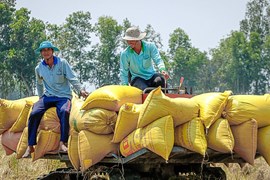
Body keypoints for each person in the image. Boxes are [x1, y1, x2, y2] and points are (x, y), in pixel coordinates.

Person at [23, 41, 88, 157]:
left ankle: (62, 143)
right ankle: (30, 145)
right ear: (41, 53)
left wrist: (81, 90)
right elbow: (39, 84)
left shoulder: (62, 63)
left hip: (63, 97)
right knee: (34, 113)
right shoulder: (39, 68)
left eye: (48, 50)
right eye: (43, 50)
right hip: (48, 96)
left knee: (64, 112)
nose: (46, 52)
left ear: (52, 51)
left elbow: (72, 78)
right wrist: (39, 97)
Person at [120, 26, 170, 91]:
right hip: (137, 78)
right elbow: (124, 72)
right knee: (144, 89)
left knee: (160, 81)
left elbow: (158, 60)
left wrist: (162, 70)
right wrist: (125, 86)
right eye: (128, 40)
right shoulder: (125, 54)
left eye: (131, 40)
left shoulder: (150, 46)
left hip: (151, 76)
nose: (129, 42)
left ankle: (164, 99)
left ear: (138, 39)